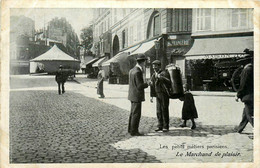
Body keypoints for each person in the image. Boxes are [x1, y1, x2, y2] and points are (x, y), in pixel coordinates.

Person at [128, 54, 149, 136]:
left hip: (132, 95)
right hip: (137, 96)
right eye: (145, 61)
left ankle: (130, 129)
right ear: (143, 62)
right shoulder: (138, 72)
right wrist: (147, 84)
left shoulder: (132, 70)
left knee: (132, 113)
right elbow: (140, 86)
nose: (145, 63)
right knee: (136, 114)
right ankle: (134, 131)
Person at [150, 60, 171, 132]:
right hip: (157, 94)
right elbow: (152, 85)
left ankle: (166, 126)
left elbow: (169, 82)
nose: (154, 68)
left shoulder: (164, 73)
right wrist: (151, 96)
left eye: (155, 66)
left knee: (164, 109)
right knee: (158, 111)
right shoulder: (153, 75)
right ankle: (160, 125)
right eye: (153, 67)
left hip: (164, 94)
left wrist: (160, 77)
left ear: (159, 66)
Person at [234, 58, 254, 133]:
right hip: (253, 95)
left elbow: (243, 84)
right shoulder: (253, 68)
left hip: (248, 96)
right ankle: (240, 128)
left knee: (249, 115)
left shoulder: (246, 70)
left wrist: (238, 95)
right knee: (246, 113)